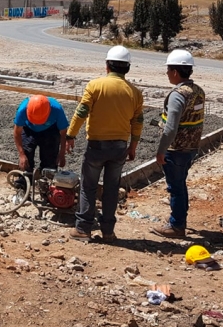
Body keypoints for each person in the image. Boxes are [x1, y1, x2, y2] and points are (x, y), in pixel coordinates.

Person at [65, 46, 144, 243]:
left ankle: (83, 228)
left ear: (107, 66)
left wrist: (70, 135)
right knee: (111, 189)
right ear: (127, 68)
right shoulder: (135, 93)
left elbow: (81, 112)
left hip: (96, 146)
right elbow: (138, 122)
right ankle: (108, 232)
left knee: (88, 187)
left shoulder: (95, 86)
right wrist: (133, 146)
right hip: (119, 147)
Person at [151, 50, 206, 239]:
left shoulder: (177, 95)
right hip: (191, 148)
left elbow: (170, 128)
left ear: (175, 72)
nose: (167, 73)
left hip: (176, 150)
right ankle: (180, 219)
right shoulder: (198, 91)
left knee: (175, 187)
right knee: (180, 184)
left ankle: (176, 226)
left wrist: (161, 151)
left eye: (168, 70)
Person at [12, 95, 69, 189]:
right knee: (27, 156)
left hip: (50, 130)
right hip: (29, 129)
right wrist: (21, 154)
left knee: (50, 159)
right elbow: (17, 133)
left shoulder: (57, 110)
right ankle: (23, 184)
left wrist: (61, 154)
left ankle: (47, 187)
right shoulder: (23, 109)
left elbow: (63, 133)